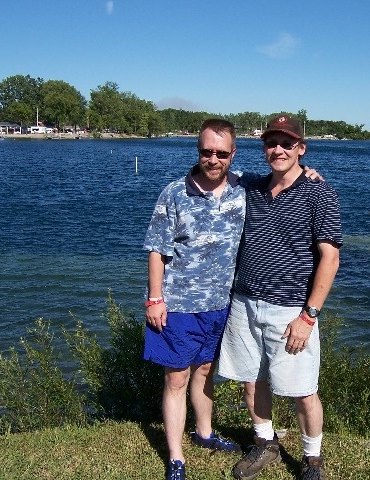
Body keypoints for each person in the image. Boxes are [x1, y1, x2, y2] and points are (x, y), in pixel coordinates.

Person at [218, 114, 343, 480]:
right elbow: (214, 172)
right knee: (251, 380)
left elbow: (330, 257)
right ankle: (264, 441)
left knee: (302, 390)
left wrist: (309, 316)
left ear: (301, 149)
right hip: (244, 303)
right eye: (272, 143)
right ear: (264, 149)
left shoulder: (319, 192)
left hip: (290, 310)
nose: (278, 149)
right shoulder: (252, 187)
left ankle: (312, 460)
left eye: (287, 144)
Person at [143, 118, 244, 480]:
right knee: (176, 379)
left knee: (205, 370)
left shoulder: (244, 189)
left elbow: (285, 181)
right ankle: (175, 457)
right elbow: (157, 250)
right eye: (206, 151)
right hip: (179, 304)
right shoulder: (174, 193)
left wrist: (309, 174)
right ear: (198, 151)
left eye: (220, 152)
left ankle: (204, 435)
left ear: (233, 153)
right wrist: (155, 298)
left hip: (222, 304)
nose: (213, 159)